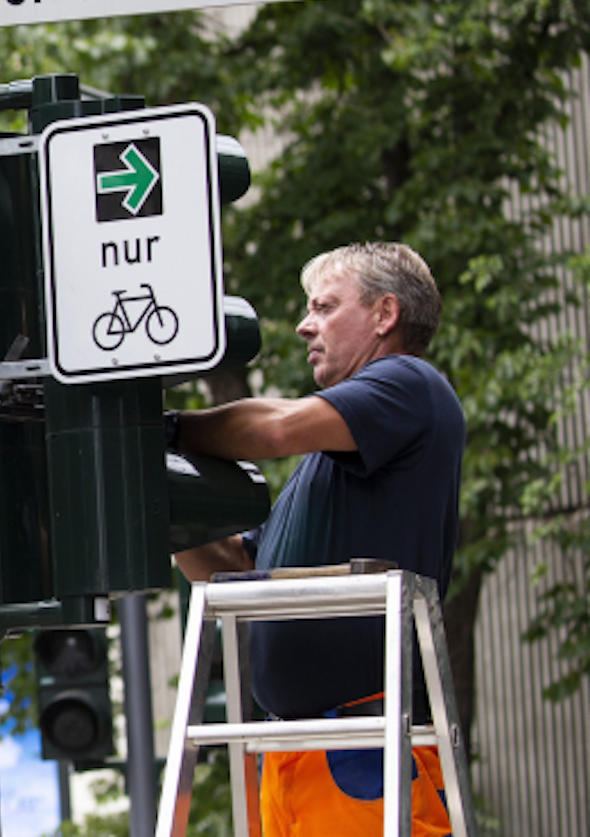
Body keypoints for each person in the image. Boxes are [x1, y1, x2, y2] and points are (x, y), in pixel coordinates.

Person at [170, 242, 464, 837]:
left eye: (324, 306)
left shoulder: (408, 383)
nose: (305, 324)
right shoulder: (330, 465)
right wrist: (159, 501)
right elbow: (231, 566)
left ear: (385, 315)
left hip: (363, 750)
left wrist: (163, 430)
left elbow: (276, 428)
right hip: (292, 751)